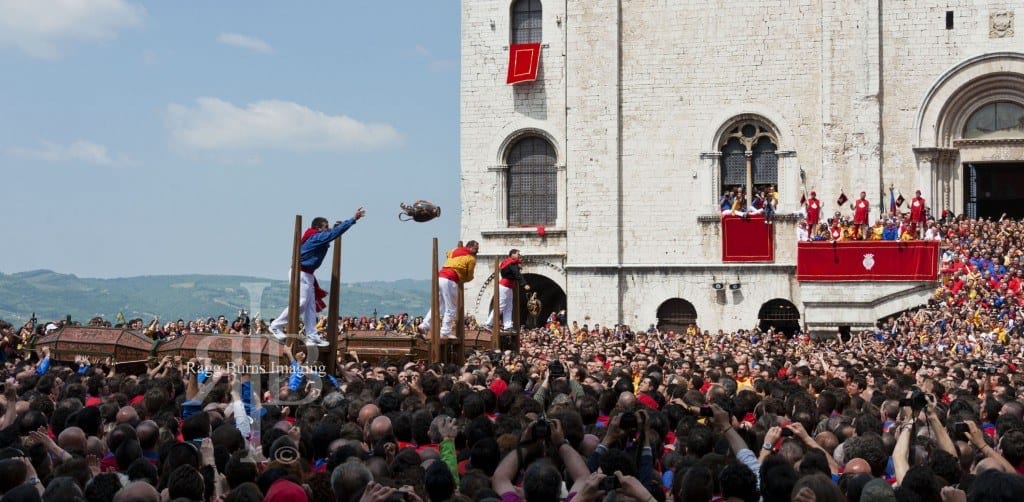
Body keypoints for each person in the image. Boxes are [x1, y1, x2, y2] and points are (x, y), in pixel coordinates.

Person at [269, 208, 366, 347]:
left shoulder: (316, 236)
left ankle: (312, 336)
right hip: (300, 272)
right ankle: (276, 325)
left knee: (310, 307)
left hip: (307, 274)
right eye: (326, 226)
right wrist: (352, 220)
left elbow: (331, 234)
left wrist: (333, 229)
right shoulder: (315, 237)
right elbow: (332, 235)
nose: (328, 229)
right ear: (318, 227)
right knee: (301, 303)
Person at [418, 240, 479, 339]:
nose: (477, 251)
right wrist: (462, 278)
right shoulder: (471, 259)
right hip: (450, 280)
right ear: (470, 247)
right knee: (451, 308)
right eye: (476, 249)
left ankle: (424, 326)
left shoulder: (455, 251)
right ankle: (445, 331)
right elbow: (469, 276)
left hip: (439, 277)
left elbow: (447, 253)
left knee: (438, 305)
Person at [484, 249, 531, 332]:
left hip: (508, 287)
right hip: (505, 286)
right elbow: (517, 274)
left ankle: (508, 326)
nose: (519, 255)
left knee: (509, 306)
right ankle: (489, 323)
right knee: (501, 305)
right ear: (512, 254)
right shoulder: (512, 263)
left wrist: (518, 265)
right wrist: (524, 284)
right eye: (518, 254)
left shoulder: (509, 262)